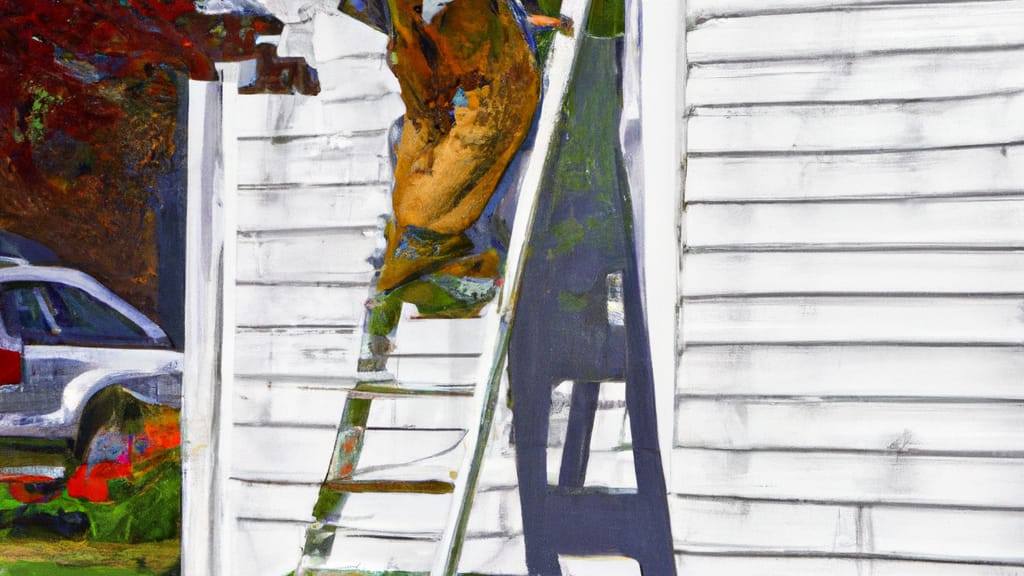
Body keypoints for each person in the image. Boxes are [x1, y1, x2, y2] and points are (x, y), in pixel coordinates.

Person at [337, 0, 566, 339]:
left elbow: (488, 83)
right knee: (407, 169)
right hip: (445, 105)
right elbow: (420, 82)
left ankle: (464, 266)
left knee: (419, 209)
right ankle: (426, 273)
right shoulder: (408, 26)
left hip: (492, 99)